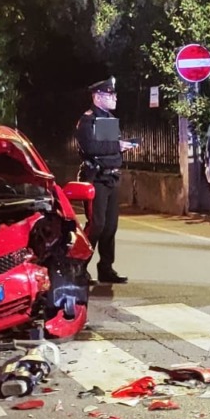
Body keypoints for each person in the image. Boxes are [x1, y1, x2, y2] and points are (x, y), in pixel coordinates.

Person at [75, 76, 134, 284]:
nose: (115, 98)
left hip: (111, 177)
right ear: (97, 97)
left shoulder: (109, 119)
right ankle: (78, 267)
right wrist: (117, 146)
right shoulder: (87, 120)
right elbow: (91, 148)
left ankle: (106, 268)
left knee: (110, 226)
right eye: (110, 94)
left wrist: (122, 148)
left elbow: (109, 149)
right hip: (96, 179)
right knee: (96, 225)